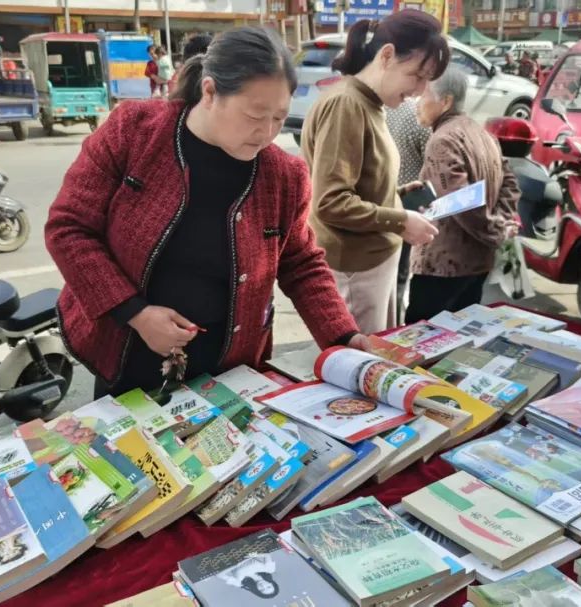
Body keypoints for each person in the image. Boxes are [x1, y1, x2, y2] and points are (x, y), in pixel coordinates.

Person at [45, 27, 365, 398]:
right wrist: (136, 313)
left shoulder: (284, 175)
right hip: (128, 347)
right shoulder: (134, 131)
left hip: (230, 366)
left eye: (279, 118)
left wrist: (344, 335)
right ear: (210, 92)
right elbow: (68, 228)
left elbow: (301, 262)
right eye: (254, 115)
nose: (266, 133)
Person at [301, 10, 449, 334]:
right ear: (387, 56)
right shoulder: (347, 105)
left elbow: (359, 181)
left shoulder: (370, 103)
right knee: (361, 371)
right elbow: (331, 201)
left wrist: (395, 195)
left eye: (428, 81)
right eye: (417, 76)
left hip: (371, 265)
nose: (420, 90)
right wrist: (400, 220)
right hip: (355, 271)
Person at [404, 67, 520, 323]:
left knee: (424, 343)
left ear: (445, 101)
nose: (416, 103)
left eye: (423, 97)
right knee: (462, 336)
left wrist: (495, 231)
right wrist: (499, 221)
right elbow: (510, 184)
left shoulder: (443, 140)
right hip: (477, 263)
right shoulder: (482, 133)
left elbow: (463, 203)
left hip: (444, 265)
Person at [384, 99, 431, 325]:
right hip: (408, 208)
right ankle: (393, 328)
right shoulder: (419, 117)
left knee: (388, 276)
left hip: (386, 202)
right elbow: (431, 166)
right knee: (400, 275)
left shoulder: (384, 107)